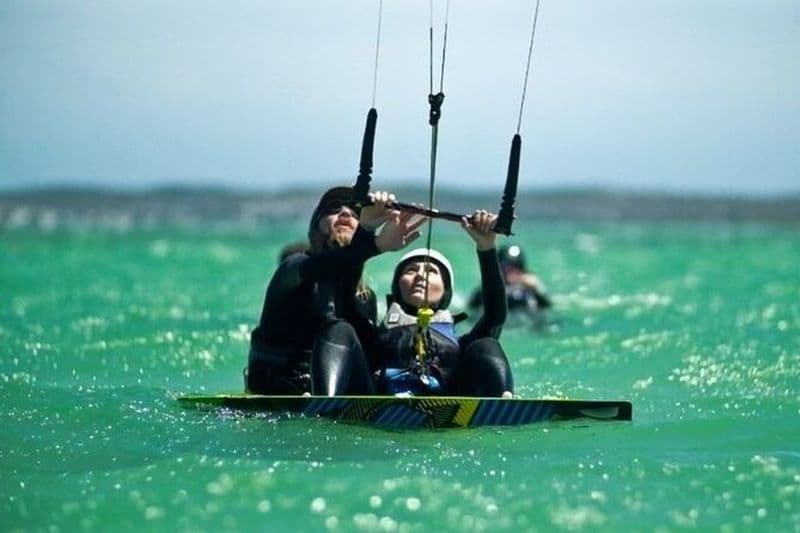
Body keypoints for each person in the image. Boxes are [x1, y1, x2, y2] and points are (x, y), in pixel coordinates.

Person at [246, 186, 425, 396]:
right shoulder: (292, 270)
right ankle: (324, 406)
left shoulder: (365, 298)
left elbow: (369, 358)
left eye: (355, 213)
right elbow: (324, 267)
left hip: (345, 397)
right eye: (333, 209)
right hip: (280, 387)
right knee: (339, 330)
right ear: (316, 226)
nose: (346, 213)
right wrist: (372, 240)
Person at [366, 210, 514, 397]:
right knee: (342, 330)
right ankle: (331, 397)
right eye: (411, 270)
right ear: (397, 286)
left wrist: (486, 247)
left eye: (431, 271)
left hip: (454, 404)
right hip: (376, 400)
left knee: (486, 344)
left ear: (446, 290)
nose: (420, 276)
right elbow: (345, 294)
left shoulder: (462, 346)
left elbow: (495, 316)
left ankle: (502, 404)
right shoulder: (373, 336)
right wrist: (370, 234)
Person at [468, 243, 552, 313]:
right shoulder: (489, 288)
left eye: (517, 267)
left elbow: (548, 306)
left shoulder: (531, 289)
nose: (513, 273)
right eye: (508, 268)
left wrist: (536, 289)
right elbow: (471, 306)